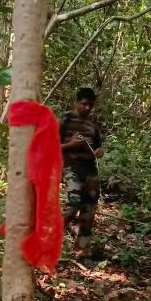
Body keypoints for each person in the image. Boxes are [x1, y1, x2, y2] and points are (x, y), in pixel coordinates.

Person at [59, 86, 104, 253]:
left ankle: (82, 251)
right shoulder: (65, 119)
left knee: (89, 212)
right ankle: (48, 238)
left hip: (90, 171)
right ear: (76, 102)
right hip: (71, 168)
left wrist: (99, 152)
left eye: (90, 105)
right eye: (84, 104)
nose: (87, 108)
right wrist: (70, 144)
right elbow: (50, 146)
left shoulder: (93, 124)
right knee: (73, 204)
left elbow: (98, 146)